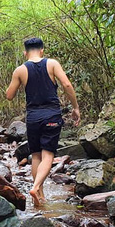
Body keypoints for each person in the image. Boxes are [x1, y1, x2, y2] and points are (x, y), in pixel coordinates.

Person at [6, 37, 80, 207]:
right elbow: (67, 85)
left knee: (36, 155)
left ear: (25, 53)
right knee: (48, 155)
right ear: (42, 50)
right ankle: (36, 187)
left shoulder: (20, 70)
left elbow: (9, 96)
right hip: (52, 115)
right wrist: (75, 107)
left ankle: (40, 196)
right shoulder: (52, 64)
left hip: (32, 118)